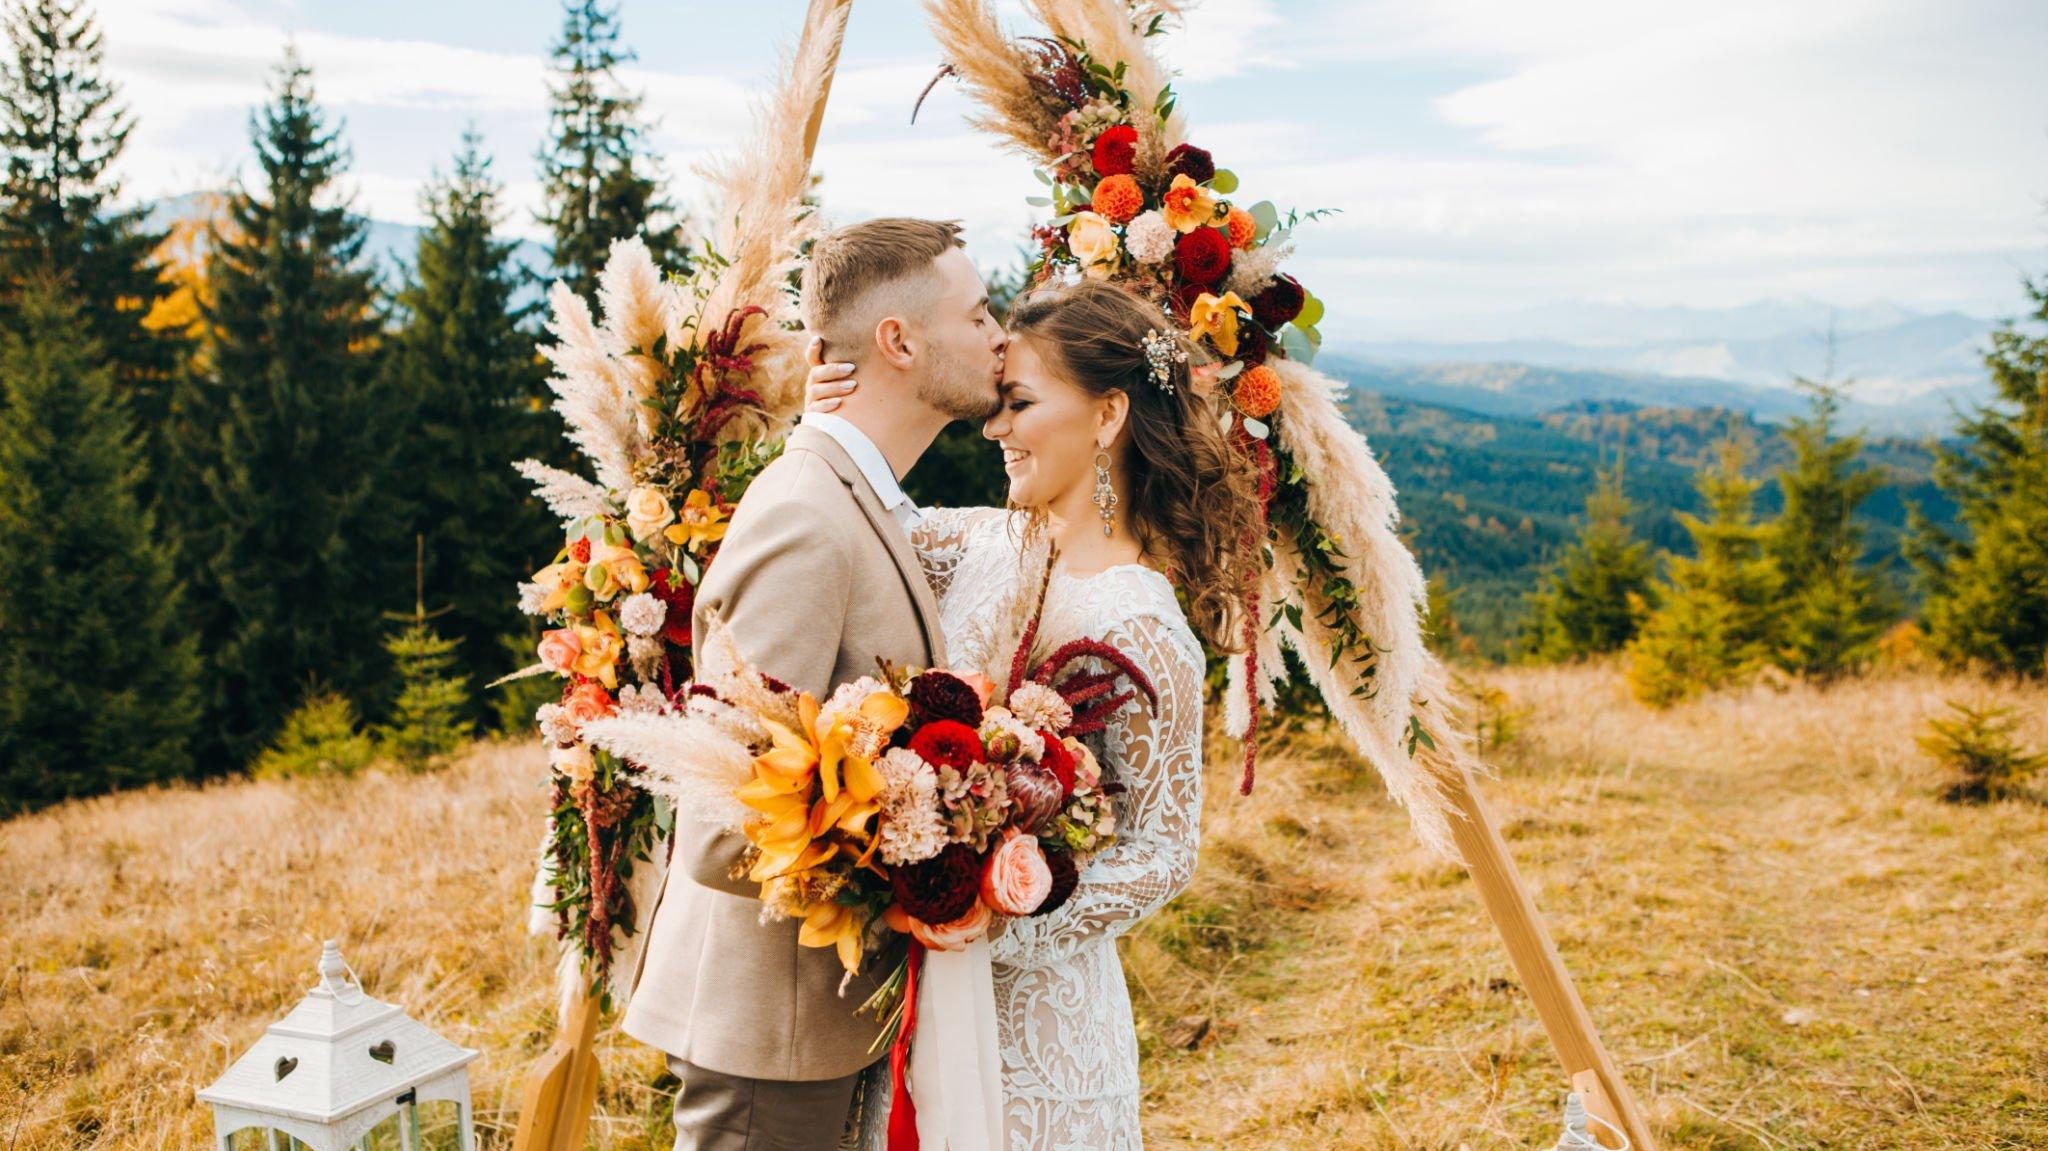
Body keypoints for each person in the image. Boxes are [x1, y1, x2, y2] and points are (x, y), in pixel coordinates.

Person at [809, 278, 1266, 1149]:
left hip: (1044, 1037)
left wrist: (1002, 909)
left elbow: (1164, 853)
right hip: (915, 1007)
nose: (995, 428)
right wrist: (823, 419)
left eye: (1017, 403)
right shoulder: (980, 539)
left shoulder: (1142, 626)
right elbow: (852, 521)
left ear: (1107, 416)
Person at [620, 216, 1007, 1151]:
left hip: (814, 1023)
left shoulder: (856, 496)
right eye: (980, 310)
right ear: (899, 341)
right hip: (767, 1033)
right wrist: (919, 841)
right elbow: (725, 826)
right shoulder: (807, 518)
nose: (1002, 333)